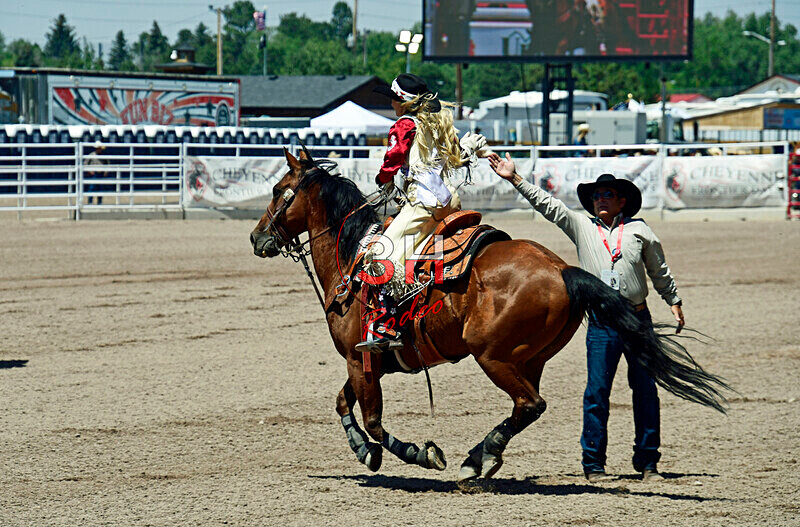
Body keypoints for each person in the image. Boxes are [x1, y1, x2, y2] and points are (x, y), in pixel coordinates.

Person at [487, 153, 685, 483]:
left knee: (646, 392)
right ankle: (593, 464)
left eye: (607, 194)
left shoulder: (640, 231)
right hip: (603, 322)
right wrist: (514, 178)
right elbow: (548, 205)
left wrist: (674, 299)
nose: (601, 199)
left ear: (622, 200)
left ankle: (648, 463)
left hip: (638, 320)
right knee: (596, 393)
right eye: (596, 195)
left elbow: (658, 269)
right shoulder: (581, 226)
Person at [355, 73, 485, 353]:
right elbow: (457, 156)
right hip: (448, 201)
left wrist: (384, 180)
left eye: (392, 98)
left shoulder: (404, 125)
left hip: (423, 202)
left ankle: (386, 324)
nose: (390, 103)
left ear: (401, 102)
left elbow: (393, 158)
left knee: (380, 255)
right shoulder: (436, 124)